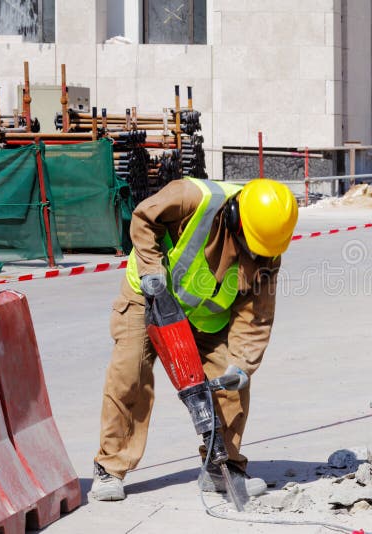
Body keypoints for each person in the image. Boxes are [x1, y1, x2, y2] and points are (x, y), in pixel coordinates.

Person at [90, 177, 298, 501]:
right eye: (248, 244)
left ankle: (221, 468)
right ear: (234, 217)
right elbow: (144, 218)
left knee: (230, 383)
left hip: (205, 318)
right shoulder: (193, 198)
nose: (252, 255)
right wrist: (150, 271)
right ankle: (109, 469)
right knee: (130, 374)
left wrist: (241, 365)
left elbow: (255, 315)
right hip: (148, 296)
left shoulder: (267, 251)